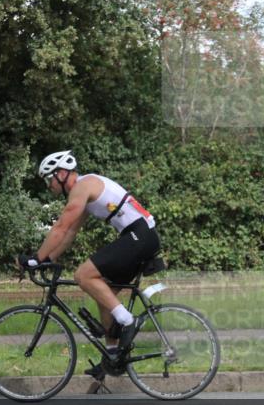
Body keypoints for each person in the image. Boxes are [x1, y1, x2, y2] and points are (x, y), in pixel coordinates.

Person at [19, 150, 160, 379]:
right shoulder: (83, 191)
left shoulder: (83, 186)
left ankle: (128, 321)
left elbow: (61, 227)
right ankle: (112, 358)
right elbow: (70, 233)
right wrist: (49, 259)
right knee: (104, 295)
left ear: (61, 174)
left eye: (49, 179)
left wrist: (36, 258)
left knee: (83, 275)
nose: (48, 186)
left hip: (139, 235)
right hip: (140, 236)